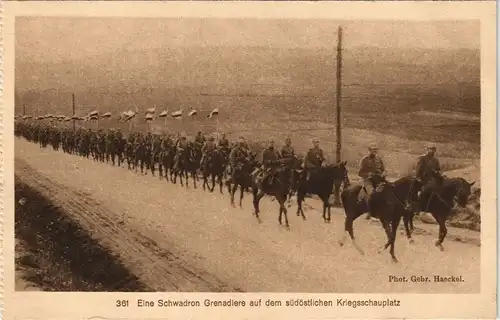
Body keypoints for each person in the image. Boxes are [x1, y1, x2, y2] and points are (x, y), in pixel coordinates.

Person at [357, 143, 386, 219]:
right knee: (372, 193)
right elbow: (360, 173)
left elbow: (383, 170)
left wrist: (383, 173)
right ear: (369, 150)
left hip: (378, 180)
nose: (374, 151)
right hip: (368, 180)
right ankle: (370, 211)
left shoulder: (379, 159)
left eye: (376, 150)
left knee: (386, 191)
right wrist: (368, 174)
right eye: (373, 150)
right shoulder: (364, 160)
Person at [415, 143, 443, 212]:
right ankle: (419, 208)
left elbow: (439, 169)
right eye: (431, 149)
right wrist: (418, 178)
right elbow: (418, 169)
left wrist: (438, 172)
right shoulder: (422, 158)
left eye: (434, 149)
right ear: (427, 150)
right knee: (422, 192)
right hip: (424, 180)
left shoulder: (436, 160)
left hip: (433, 180)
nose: (432, 151)